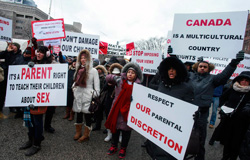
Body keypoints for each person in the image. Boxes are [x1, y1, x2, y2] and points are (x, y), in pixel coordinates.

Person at [189, 51, 244, 160]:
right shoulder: (189, 77)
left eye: (205, 67)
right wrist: (173, 57)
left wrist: (234, 62)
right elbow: (178, 71)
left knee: (200, 139)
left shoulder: (213, 79)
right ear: (196, 67)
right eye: (201, 66)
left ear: (209, 69)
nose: (203, 68)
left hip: (202, 114)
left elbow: (225, 75)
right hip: (187, 112)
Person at [145, 56, 194, 160]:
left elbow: (189, 109)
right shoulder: (162, 85)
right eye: (169, 69)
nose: (171, 71)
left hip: (174, 130)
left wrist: (194, 116)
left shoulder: (186, 88)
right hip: (159, 125)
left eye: (174, 68)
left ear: (179, 71)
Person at [105, 62, 143, 159]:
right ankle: (114, 146)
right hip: (117, 110)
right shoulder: (120, 81)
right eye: (128, 72)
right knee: (115, 128)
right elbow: (107, 77)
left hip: (128, 111)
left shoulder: (138, 87)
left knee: (126, 131)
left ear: (136, 75)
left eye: (133, 73)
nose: (130, 74)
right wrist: (116, 77)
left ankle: (123, 148)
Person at [19, 46, 52, 156]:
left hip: (39, 98)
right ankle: (30, 140)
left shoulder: (48, 66)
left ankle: (37, 144)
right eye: (38, 52)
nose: (39, 54)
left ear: (46, 55)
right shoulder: (31, 63)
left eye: (42, 52)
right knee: (29, 121)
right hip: (29, 96)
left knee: (37, 122)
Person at [216, 71, 250, 160]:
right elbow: (222, 98)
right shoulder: (233, 89)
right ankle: (225, 157)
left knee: (237, 143)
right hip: (229, 119)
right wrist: (223, 108)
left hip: (243, 123)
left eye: (246, 80)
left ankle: (232, 157)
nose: (244, 82)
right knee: (227, 141)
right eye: (242, 80)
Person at [72, 49, 100, 143]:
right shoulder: (78, 69)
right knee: (78, 114)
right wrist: (74, 89)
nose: (83, 60)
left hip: (88, 96)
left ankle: (86, 135)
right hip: (78, 94)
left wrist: (92, 95)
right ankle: (78, 132)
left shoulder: (93, 71)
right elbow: (75, 82)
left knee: (87, 116)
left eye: (85, 58)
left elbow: (97, 88)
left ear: (89, 59)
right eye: (81, 58)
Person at [102, 63, 123, 142]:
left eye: (117, 74)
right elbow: (104, 88)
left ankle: (120, 135)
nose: (115, 76)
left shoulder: (122, 81)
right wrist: (108, 84)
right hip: (109, 101)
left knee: (120, 118)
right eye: (114, 74)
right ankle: (109, 134)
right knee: (108, 117)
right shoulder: (109, 80)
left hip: (118, 101)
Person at [0, 42, 22, 115]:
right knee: (3, 91)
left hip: (15, 76)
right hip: (6, 74)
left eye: (14, 45)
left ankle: (12, 106)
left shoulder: (20, 55)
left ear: (17, 47)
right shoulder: (7, 53)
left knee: (12, 92)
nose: (12, 46)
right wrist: (7, 51)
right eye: (12, 45)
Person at [92, 64, 108, 131]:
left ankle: (98, 125)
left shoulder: (104, 78)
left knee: (99, 111)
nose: (98, 70)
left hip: (101, 96)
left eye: (100, 69)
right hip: (94, 95)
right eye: (97, 69)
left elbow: (103, 88)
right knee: (95, 109)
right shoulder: (94, 77)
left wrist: (99, 93)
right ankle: (95, 121)